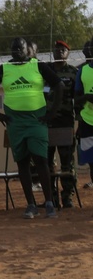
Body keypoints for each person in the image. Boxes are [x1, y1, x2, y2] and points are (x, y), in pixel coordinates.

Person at [0, 37, 63, 219]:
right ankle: (31, 205)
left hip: (36, 120)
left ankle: (49, 203)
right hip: (15, 122)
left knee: (41, 160)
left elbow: (59, 85)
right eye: (13, 48)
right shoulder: (4, 69)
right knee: (23, 162)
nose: (16, 51)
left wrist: (51, 113)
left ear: (27, 50)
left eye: (20, 48)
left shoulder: (38, 66)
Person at [47, 40, 79, 207]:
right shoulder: (46, 71)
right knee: (47, 162)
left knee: (67, 163)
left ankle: (67, 196)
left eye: (63, 50)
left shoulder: (73, 73)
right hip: (46, 123)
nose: (59, 52)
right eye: (57, 49)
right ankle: (51, 198)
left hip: (65, 122)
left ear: (68, 54)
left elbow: (78, 96)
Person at [75, 39, 93, 174]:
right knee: (91, 163)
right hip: (87, 122)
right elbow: (77, 98)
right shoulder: (82, 71)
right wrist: (87, 97)